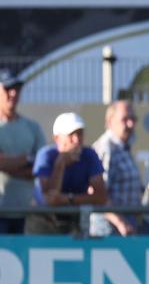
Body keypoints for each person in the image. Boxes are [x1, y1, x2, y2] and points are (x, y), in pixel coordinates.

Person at [27, 112, 107, 235]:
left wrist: (68, 199)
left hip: (73, 222)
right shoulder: (46, 155)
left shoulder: (89, 155)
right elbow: (50, 200)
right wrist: (60, 164)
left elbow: (101, 197)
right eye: (71, 135)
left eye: (79, 133)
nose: (76, 140)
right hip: (43, 223)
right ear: (57, 138)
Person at [0, 69, 45, 233]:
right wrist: (27, 158)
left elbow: (40, 167)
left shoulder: (32, 127)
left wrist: (9, 165)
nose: (13, 93)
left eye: (17, 89)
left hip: (27, 214)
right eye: (7, 89)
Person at [90, 101, 142, 237]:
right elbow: (97, 194)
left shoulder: (123, 146)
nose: (130, 124)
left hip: (126, 223)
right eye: (125, 119)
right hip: (109, 227)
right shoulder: (106, 148)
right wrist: (120, 222)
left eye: (133, 119)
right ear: (110, 122)